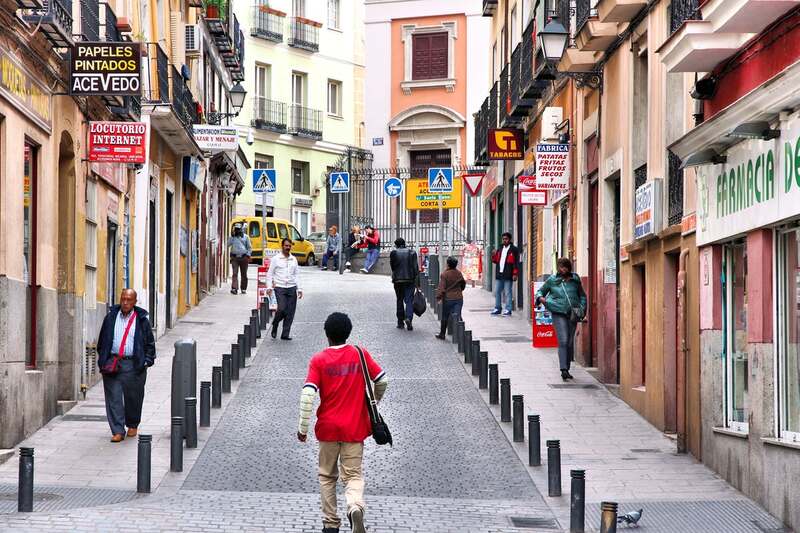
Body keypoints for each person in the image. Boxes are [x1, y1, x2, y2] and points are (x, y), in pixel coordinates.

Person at [297, 312, 388, 533]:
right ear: (348, 333)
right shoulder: (360, 354)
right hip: (355, 428)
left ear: (327, 335)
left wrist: (303, 427)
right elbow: (382, 379)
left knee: (327, 476)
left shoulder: (319, 360)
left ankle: (330, 523)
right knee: (353, 475)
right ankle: (355, 506)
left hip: (328, 428)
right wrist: (374, 400)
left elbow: (308, 394)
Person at [96, 289, 156, 442]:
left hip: (134, 363)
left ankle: (133, 423)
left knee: (133, 397)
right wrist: (103, 359)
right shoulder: (110, 317)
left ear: (135, 302)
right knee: (113, 397)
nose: (125, 302)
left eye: (129, 299)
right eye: (123, 299)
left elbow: (150, 343)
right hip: (112, 362)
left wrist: (147, 361)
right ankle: (117, 430)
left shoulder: (142, 320)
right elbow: (102, 340)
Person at [535, 257, 587, 381]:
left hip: (572, 313)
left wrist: (582, 308)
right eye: (560, 267)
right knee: (563, 340)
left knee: (569, 342)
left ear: (569, 267)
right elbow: (540, 292)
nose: (562, 269)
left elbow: (582, 296)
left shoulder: (575, 279)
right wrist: (541, 298)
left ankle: (567, 368)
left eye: (565, 267)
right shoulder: (553, 280)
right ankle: (563, 369)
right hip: (558, 312)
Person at [267, 238, 303, 340]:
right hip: (280, 287)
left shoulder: (293, 259)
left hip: (292, 288)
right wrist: (269, 287)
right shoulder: (276, 259)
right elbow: (270, 274)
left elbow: (297, 275)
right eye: (286, 245)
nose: (288, 247)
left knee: (290, 312)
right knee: (282, 309)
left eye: (289, 246)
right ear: (282, 246)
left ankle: (285, 334)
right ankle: (275, 324)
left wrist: (299, 289)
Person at [389, 238, 419, 331]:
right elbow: (415, 268)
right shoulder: (412, 253)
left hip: (398, 280)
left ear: (396, 245)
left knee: (399, 300)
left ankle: (400, 322)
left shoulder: (393, 253)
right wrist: (417, 282)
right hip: (410, 280)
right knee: (409, 300)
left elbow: (393, 267)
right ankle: (408, 318)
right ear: (404, 244)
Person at [435, 256, 466, 340]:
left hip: (448, 298)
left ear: (448, 264)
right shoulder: (459, 273)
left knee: (445, 316)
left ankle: (442, 334)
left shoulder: (444, 274)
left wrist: (439, 297)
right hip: (459, 298)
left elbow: (441, 287)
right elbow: (463, 284)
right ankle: (461, 335)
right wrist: (459, 290)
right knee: (458, 316)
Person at [490, 232, 520, 316]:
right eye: (503, 239)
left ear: (509, 240)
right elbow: (495, 261)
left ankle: (508, 309)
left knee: (507, 292)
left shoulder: (514, 249)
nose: (504, 240)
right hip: (500, 273)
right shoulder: (500, 248)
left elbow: (516, 263)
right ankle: (497, 308)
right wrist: (493, 255)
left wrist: (515, 273)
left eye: (506, 239)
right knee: (497, 291)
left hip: (508, 274)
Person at [228, 223, 251, 295]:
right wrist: (232, 237)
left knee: (244, 274)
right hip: (235, 258)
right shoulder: (233, 237)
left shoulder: (246, 237)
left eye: (238, 229)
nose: (237, 231)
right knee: (235, 273)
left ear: (241, 229)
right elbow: (228, 244)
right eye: (236, 229)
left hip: (244, 257)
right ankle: (234, 288)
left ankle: (243, 288)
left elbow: (249, 247)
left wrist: (247, 255)